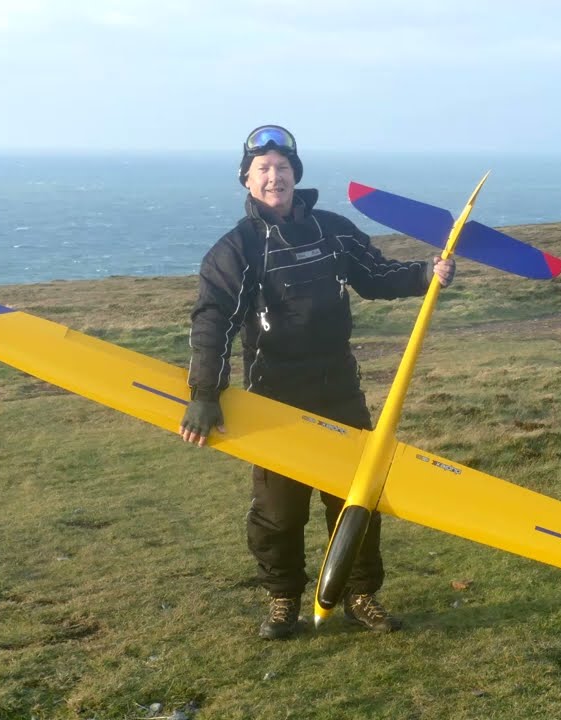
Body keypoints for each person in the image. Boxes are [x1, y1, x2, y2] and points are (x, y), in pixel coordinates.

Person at [179, 125, 455, 640]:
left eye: (282, 168)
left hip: (339, 390)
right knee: (278, 512)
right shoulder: (237, 248)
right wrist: (204, 394)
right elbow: (213, 320)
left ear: (295, 175)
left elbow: (374, 275)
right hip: (275, 399)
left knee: (355, 501)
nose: (274, 177)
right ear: (247, 180)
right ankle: (283, 600)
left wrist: (425, 274)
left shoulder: (333, 231)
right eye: (263, 169)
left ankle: (360, 595)